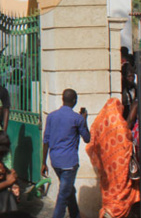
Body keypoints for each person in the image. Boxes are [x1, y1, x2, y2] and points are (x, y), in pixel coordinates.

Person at [86, 98, 140, 218]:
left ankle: (108, 210)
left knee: (109, 191)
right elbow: (128, 140)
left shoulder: (100, 125)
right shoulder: (120, 126)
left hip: (106, 168)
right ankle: (113, 211)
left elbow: (92, 141)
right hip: (120, 168)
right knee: (120, 191)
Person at [42, 89, 90, 218]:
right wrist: (84, 120)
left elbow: (46, 141)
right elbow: (87, 138)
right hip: (69, 163)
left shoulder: (51, 116)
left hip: (55, 161)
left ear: (63, 99)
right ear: (75, 101)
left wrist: (43, 163)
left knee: (68, 190)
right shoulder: (77, 119)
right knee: (63, 195)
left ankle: (75, 215)